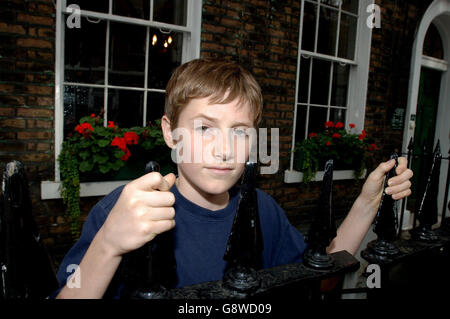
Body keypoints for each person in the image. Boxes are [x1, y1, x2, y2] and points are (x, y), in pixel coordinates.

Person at [53, 58, 413, 299]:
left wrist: (367, 203)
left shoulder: (263, 211)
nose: (225, 149)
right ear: (169, 132)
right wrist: (108, 244)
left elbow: (320, 274)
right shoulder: (127, 209)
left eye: (240, 132)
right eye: (205, 127)